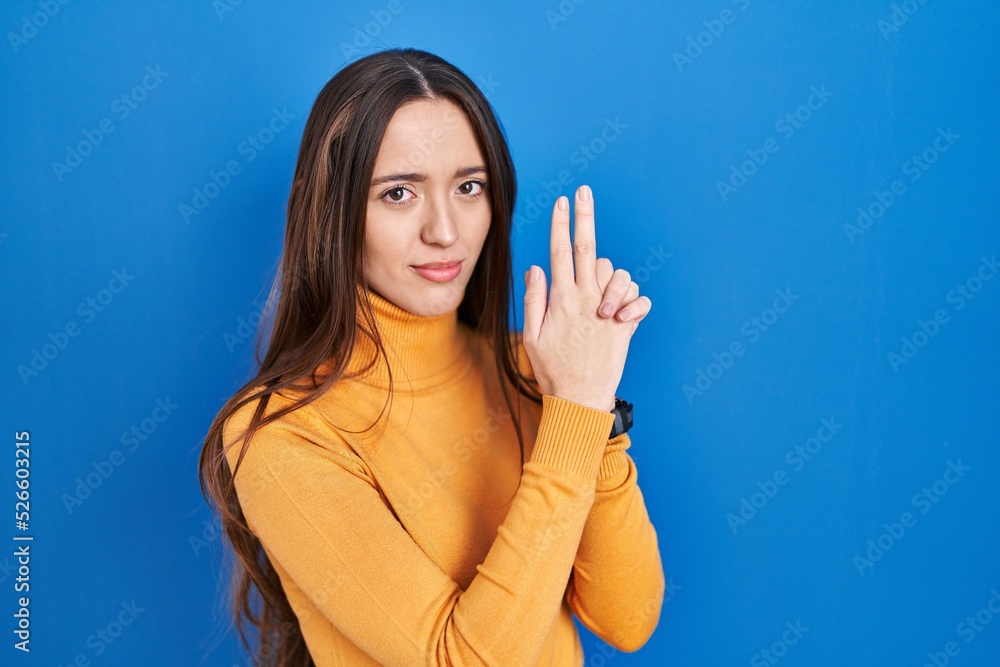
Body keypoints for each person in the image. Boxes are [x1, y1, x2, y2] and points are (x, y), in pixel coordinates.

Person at [198, 47, 664, 666]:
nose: (445, 230)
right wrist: (574, 415)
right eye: (398, 194)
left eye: (469, 187)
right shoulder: (283, 435)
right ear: (332, 212)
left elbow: (627, 619)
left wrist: (591, 409)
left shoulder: (536, 372)